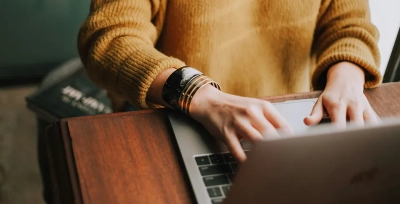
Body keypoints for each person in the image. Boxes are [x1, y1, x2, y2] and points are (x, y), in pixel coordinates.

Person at [77, 0, 382, 162]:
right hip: (176, 118)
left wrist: (347, 75)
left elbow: (350, 24)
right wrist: (200, 94)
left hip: (290, 125)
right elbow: (109, 38)